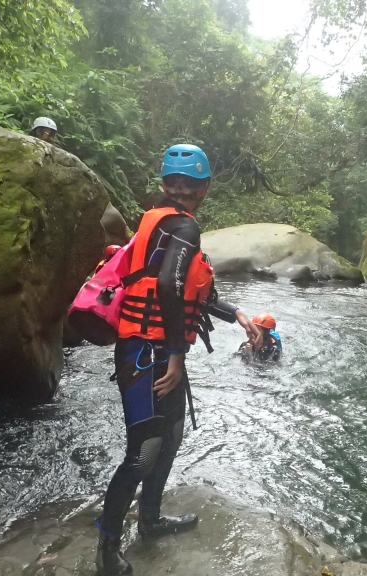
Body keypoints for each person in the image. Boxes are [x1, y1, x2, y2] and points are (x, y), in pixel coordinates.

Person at [95, 144, 262, 575]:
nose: (184, 191)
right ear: (170, 185)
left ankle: (149, 520)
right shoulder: (184, 227)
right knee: (144, 450)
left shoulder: (157, 222)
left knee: (170, 437)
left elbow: (191, 292)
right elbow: (169, 286)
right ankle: (107, 548)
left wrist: (237, 314)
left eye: (189, 185)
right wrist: (176, 357)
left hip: (148, 347)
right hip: (147, 352)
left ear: (201, 187)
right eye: (178, 184)